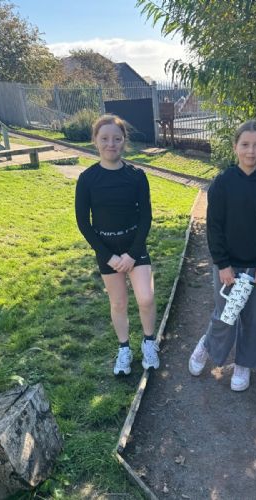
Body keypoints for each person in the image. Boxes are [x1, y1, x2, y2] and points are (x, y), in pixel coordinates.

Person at [188, 120, 256, 391]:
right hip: (228, 265)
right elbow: (214, 227)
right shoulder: (223, 183)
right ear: (235, 147)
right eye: (245, 145)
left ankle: (244, 364)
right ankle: (206, 346)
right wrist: (222, 264)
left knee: (253, 318)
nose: (251, 151)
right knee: (226, 315)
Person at [75, 114, 159, 375]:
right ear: (95, 141)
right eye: (105, 139)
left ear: (124, 141)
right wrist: (109, 256)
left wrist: (132, 254)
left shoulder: (137, 176)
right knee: (118, 303)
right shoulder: (87, 179)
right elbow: (83, 223)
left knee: (146, 298)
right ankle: (124, 349)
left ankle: (149, 342)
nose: (111, 144)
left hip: (135, 247)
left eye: (116, 139)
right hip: (107, 251)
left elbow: (146, 217)